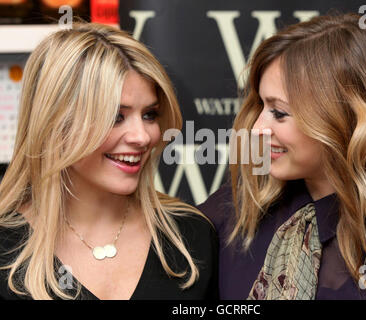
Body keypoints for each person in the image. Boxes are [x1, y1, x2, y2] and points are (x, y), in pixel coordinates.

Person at [199, 13, 366, 300]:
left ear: (345, 120)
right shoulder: (235, 213)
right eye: (261, 105)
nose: (257, 129)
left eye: (279, 113)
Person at [0, 22, 218, 300]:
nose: (142, 136)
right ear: (55, 123)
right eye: (116, 117)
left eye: (150, 115)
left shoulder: (190, 236)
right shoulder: (6, 245)